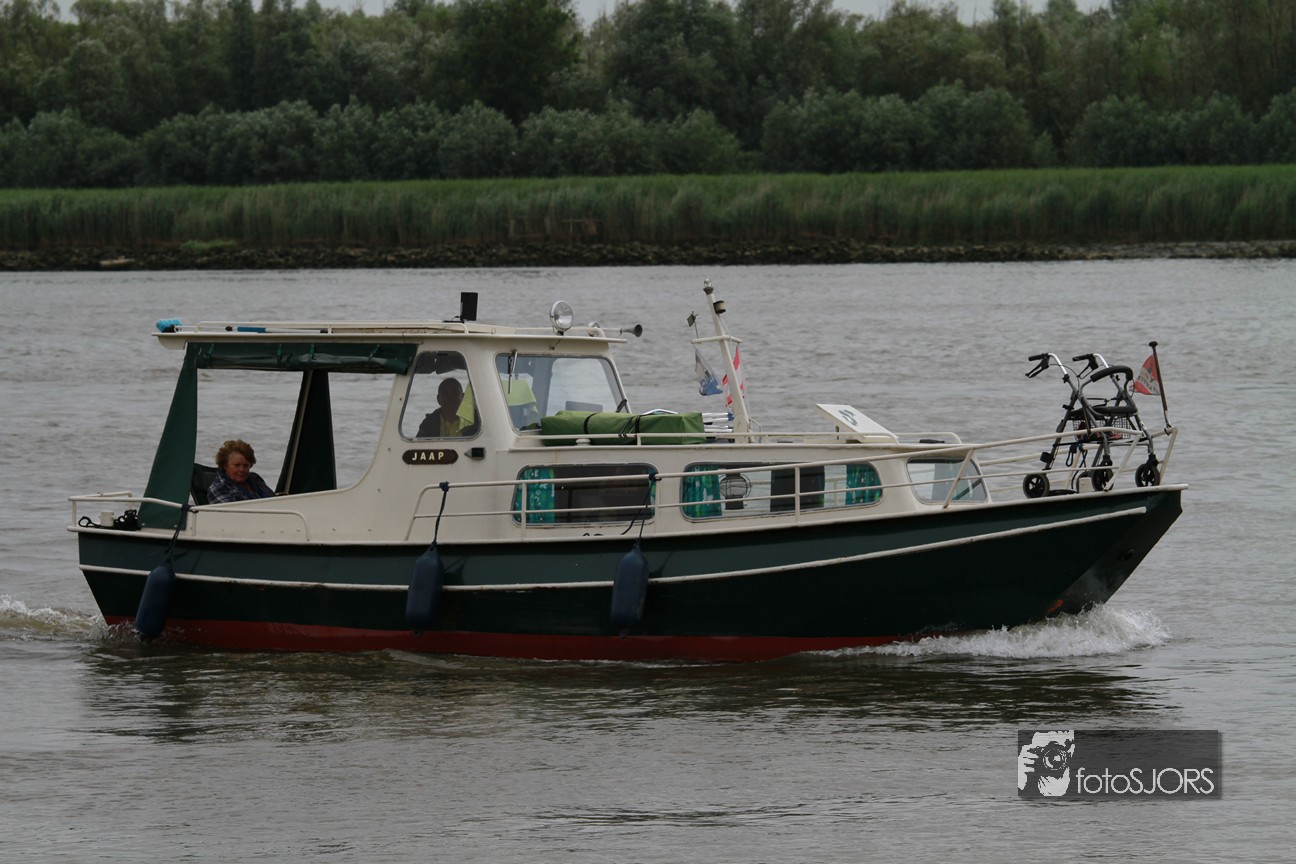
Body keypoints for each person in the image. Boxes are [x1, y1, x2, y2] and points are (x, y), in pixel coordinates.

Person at [207, 439, 276, 504]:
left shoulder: (255, 478)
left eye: (246, 465)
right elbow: (233, 512)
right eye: (237, 465)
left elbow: (274, 500)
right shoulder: (218, 489)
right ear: (225, 465)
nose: (242, 469)